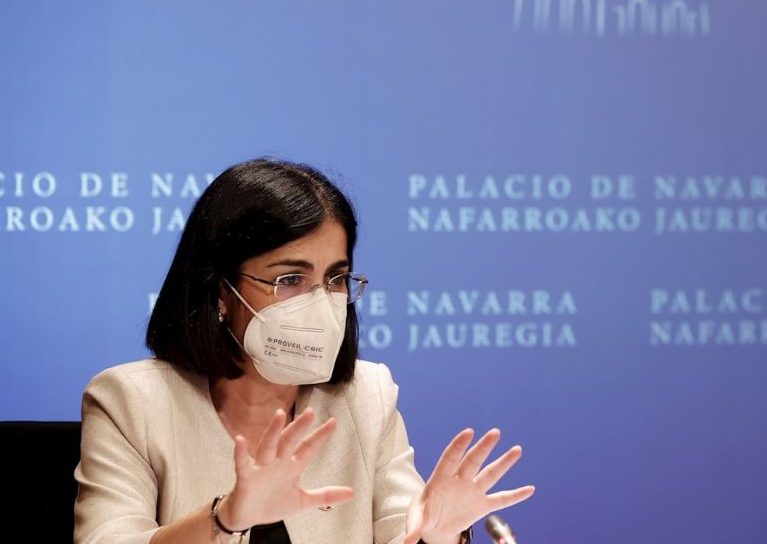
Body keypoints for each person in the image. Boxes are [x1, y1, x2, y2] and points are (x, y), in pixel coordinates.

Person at [74, 158, 535, 544]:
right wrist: (224, 519)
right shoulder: (131, 402)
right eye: (290, 279)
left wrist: (438, 535)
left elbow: (403, 525)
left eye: (335, 278)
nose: (320, 302)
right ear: (220, 292)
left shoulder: (367, 395)